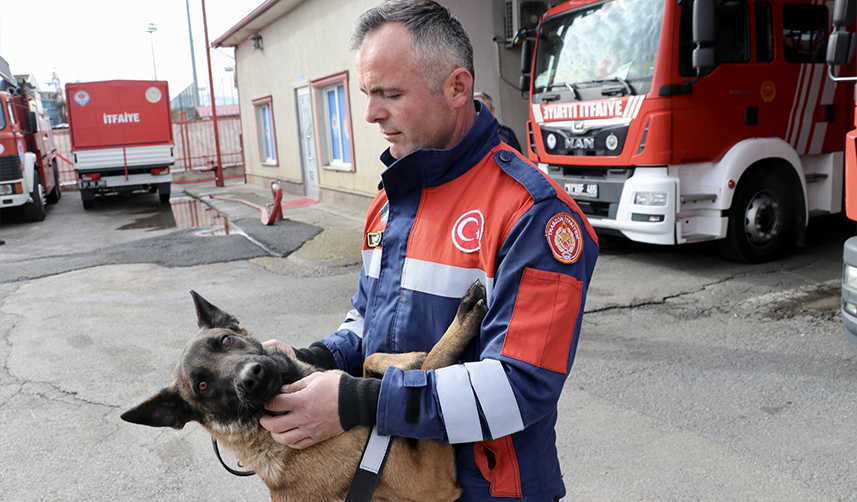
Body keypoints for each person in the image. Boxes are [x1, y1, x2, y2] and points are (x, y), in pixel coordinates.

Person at [259, 1, 599, 500]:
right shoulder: (391, 199)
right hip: (393, 482)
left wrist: (354, 401)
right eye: (366, 94)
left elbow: (518, 388)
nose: (372, 113)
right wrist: (311, 359)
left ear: (458, 88)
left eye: (391, 94)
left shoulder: (535, 214)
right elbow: (367, 321)